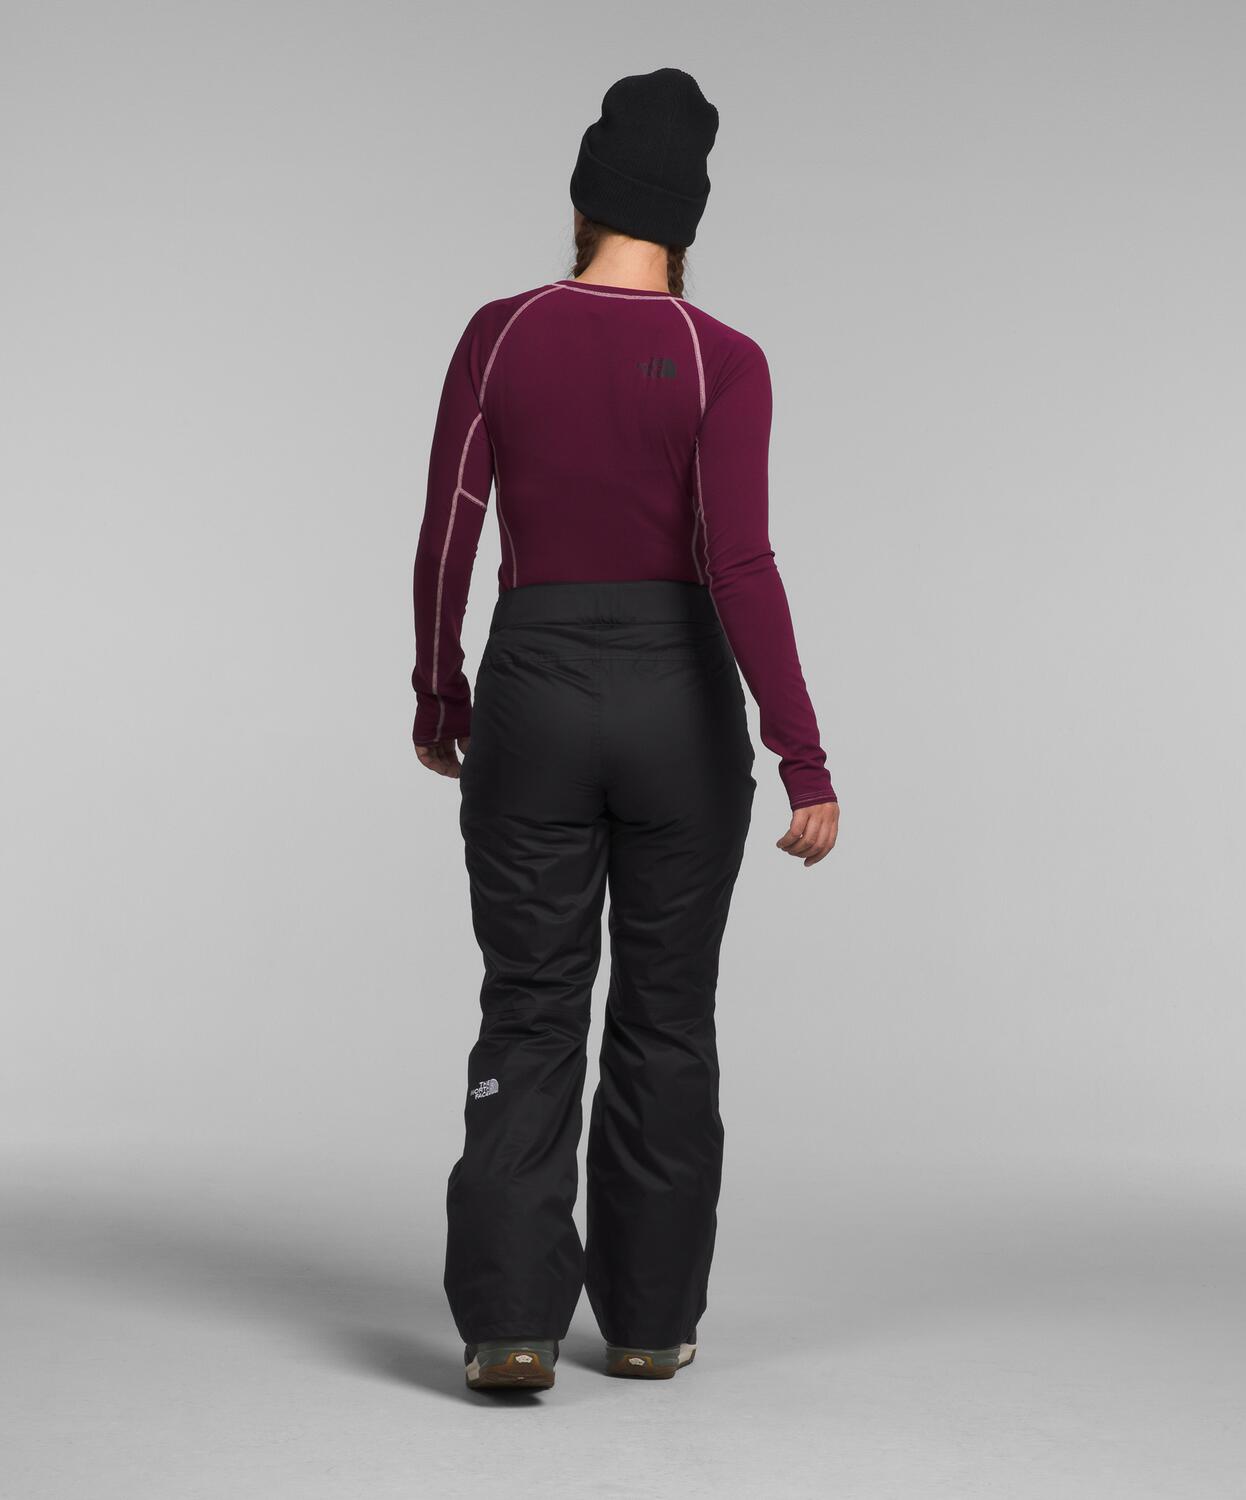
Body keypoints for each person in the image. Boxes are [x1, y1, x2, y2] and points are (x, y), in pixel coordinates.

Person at [411, 67, 840, 1392]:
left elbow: (448, 534)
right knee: (667, 1014)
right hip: (679, 710)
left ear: (582, 200)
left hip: (533, 695)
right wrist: (803, 758)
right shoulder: (724, 359)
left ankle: (509, 1328)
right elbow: (739, 564)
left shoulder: (501, 335)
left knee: (531, 1008)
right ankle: (649, 1325)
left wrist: (439, 693)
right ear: (689, 217)